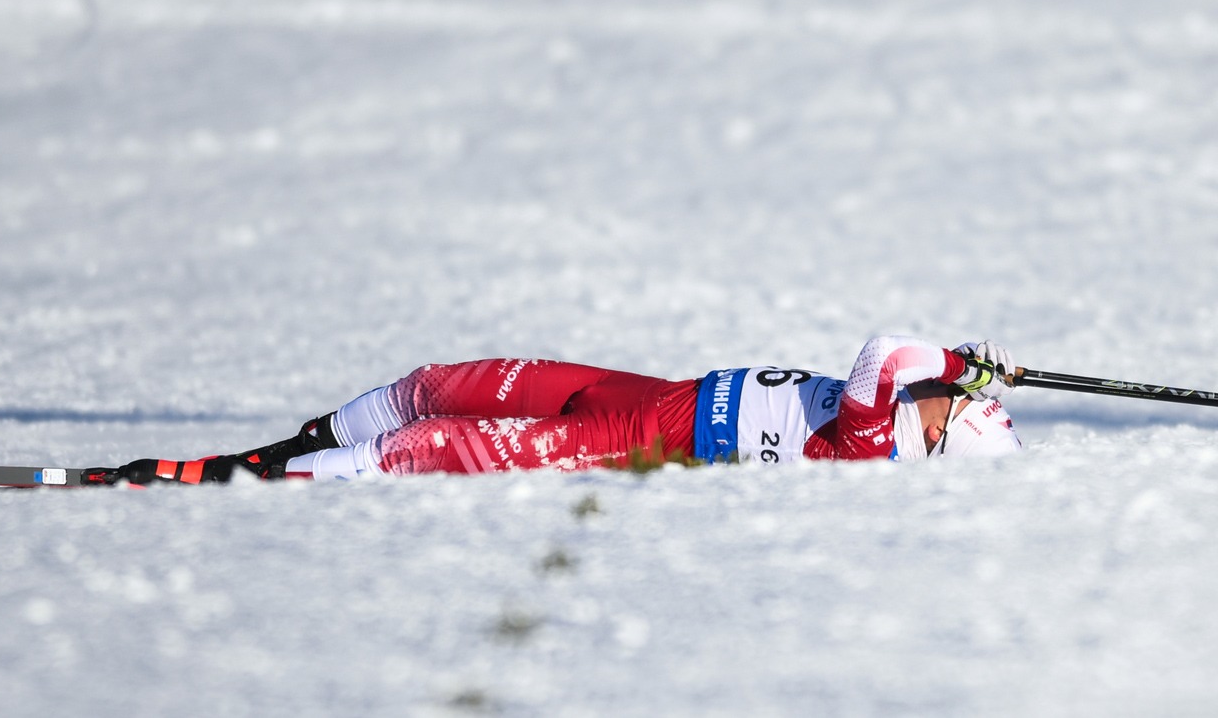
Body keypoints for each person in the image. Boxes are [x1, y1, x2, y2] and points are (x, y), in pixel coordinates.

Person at [84, 335, 1022, 486]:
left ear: (933, 439)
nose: (940, 392)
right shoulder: (892, 424)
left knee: (431, 442)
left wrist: (957, 359)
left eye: (948, 403)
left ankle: (241, 483)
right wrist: (983, 367)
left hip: (639, 435)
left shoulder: (869, 443)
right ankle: (293, 448)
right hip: (645, 392)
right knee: (438, 384)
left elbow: (884, 350)